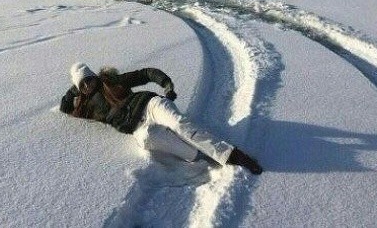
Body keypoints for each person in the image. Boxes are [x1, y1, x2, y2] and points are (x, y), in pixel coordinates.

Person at [60, 62, 262, 175]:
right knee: (148, 138)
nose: (87, 85)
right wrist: (72, 89)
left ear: (94, 76)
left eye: (88, 80)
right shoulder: (87, 106)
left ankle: (232, 155)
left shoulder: (112, 80)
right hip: (137, 127)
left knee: (180, 124)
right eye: (82, 85)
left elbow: (145, 73)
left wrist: (166, 84)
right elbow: (64, 107)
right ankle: (199, 155)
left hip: (149, 105)